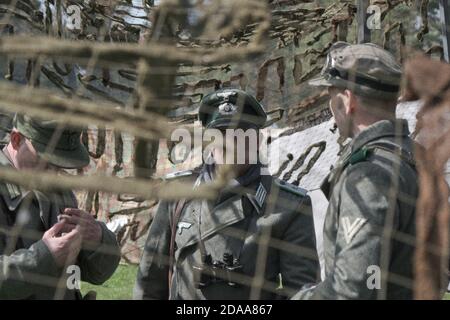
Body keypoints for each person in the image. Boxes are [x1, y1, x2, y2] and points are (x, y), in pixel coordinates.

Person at [134, 88, 319, 299]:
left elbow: (302, 293)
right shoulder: (178, 195)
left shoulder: (288, 206)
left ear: (257, 140)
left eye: (240, 135)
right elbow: (149, 283)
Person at [292, 42, 418, 299]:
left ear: (347, 100)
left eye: (330, 95)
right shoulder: (415, 157)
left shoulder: (369, 176)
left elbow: (351, 288)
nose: (330, 107)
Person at [0, 114, 121, 299]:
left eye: (59, 164)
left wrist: (98, 239)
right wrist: (43, 258)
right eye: (46, 161)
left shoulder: (59, 193)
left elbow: (97, 274)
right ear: (16, 140)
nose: (54, 172)